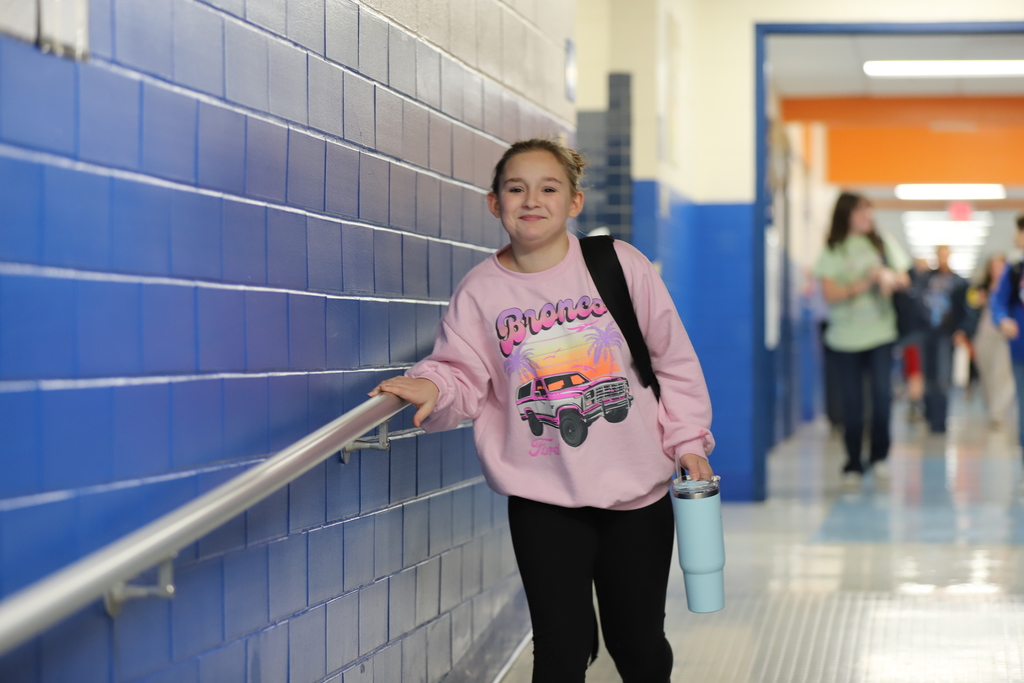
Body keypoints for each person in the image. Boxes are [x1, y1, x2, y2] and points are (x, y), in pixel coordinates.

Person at [370, 138, 715, 682]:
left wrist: (688, 442)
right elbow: (461, 372)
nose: (532, 200)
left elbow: (672, 359)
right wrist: (432, 386)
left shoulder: (618, 265)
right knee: (562, 646)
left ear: (573, 202)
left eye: (548, 188)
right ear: (493, 202)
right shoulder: (480, 291)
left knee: (639, 644)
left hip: (637, 491)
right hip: (543, 494)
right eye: (516, 188)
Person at [813, 192, 910, 488]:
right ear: (847, 215)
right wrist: (866, 281)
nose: (868, 216)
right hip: (844, 339)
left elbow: (905, 278)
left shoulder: (882, 243)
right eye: (861, 211)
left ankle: (879, 456)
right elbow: (830, 295)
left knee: (883, 399)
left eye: (869, 210)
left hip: (881, 333)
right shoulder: (834, 249)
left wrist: (890, 279)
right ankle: (853, 462)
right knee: (852, 406)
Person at [917, 245, 971, 434]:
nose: (942, 258)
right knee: (928, 377)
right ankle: (930, 416)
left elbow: (966, 309)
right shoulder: (926, 279)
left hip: (946, 334)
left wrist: (962, 330)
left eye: (945, 255)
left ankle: (940, 422)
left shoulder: (959, 282)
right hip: (926, 333)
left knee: (942, 378)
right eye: (939, 255)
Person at [990, 215, 1024, 469]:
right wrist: (1002, 320)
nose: (1015, 237)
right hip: (1020, 350)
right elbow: (998, 301)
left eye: (1019, 232)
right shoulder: (1014, 270)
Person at [969, 253, 1014, 429]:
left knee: (1001, 373)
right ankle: (991, 408)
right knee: (986, 373)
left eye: (1000, 266)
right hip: (983, 335)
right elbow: (970, 309)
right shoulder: (980, 288)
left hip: (1004, 335)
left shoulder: (1013, 287)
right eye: (993, 267)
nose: (996, 270)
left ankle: (998, 412)